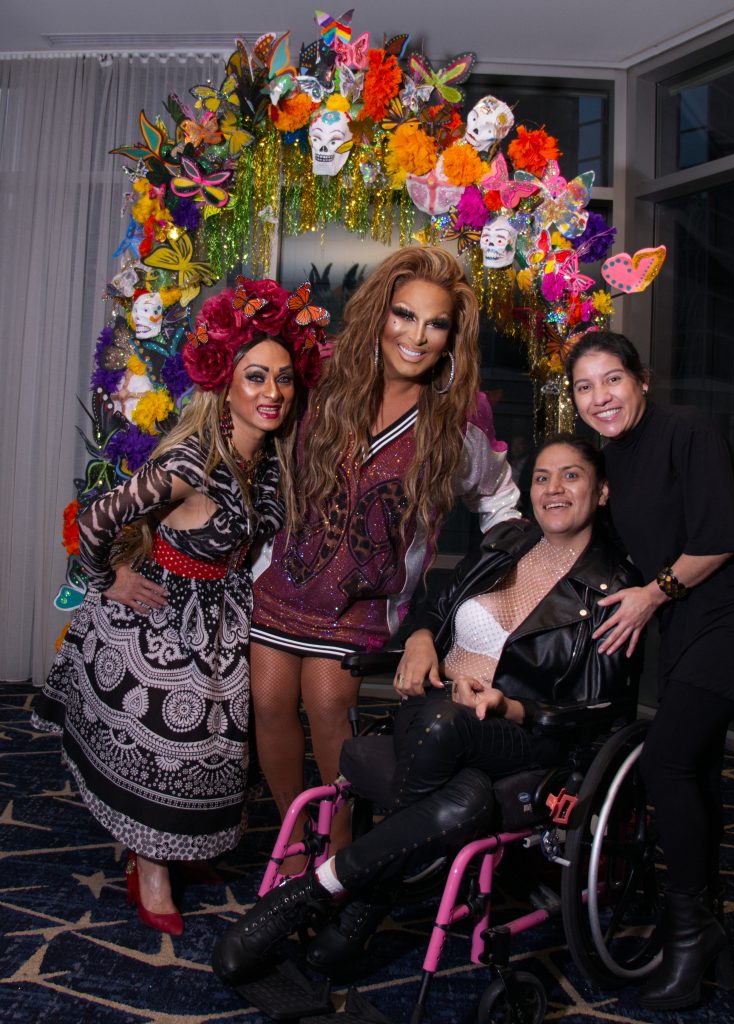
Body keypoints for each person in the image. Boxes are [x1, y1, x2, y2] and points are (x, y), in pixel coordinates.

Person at [211, 435, 639, 984]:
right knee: (466, 798)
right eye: (542, 477)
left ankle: (312, 896)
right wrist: (418, 638)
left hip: (518, 731)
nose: (554, 489)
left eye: (571, 476)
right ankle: (360, 903)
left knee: (444, 723)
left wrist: (509, 705)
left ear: (602, 491)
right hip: (438, 712)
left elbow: (598, 708)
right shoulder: (506, 542)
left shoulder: (614, 587)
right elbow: (435, 610)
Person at [32, 277, 319, 935]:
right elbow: (97, 519)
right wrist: (106, 578)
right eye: (255, 377)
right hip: (159, 615)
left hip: (221, 616)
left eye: (282, 378)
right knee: (171, 745)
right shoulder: (192, 461)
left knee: (216, 745)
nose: (273, 392)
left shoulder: (266, 460)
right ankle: (150, 864)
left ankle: (180, 848)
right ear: (225, 385)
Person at [247, 246, 521, 865]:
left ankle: (338, 857)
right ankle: (294, 845)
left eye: (436, 323)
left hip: (365, 601)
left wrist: (483, 588)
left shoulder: (460, 415)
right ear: (379, 313)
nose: (416, 336)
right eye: (404, 315)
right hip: (281, 579)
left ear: (452, 337)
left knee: (327, 709)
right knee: (268, 704)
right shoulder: (321, 374)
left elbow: (499, 502)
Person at [566, 331, 734, 1010]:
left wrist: (652, 596)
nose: (600, 397)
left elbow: (719, 539)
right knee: (696, 771)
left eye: (612, 380)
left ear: (642, 380)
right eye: (585, 387)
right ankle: (704, 929)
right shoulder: (614, 458)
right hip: (687, 621)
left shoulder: (689, 431)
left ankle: (690, 934)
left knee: (667, 762)